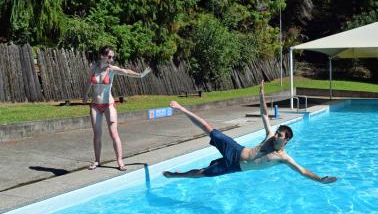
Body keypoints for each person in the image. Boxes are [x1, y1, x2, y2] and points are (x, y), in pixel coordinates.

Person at [163, 80, 337, 183]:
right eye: (277, 132)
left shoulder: (283, 159)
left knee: (202, 173)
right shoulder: (269, 136)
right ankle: (181, 108)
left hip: (235, 167)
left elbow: (303, 171)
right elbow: (264, 113)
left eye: (279, 135)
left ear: (286, 140)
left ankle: (177, 175)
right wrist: (261, 94)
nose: (275, 135)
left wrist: (320, 180)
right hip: (236, 150)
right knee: (209, 129)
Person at [83, 46, 151, 171]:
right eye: (109, 56)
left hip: (108, 104)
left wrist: (140, 75)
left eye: (113, 57)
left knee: (114, 133)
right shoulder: (94, 68)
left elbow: (126, 72)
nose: (111, 59)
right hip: (95, 105)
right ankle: (97, 161)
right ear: (102, 56)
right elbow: (89, 81)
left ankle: (120, 161)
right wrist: (85, 94)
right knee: (97, 134)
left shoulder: (112, 69)